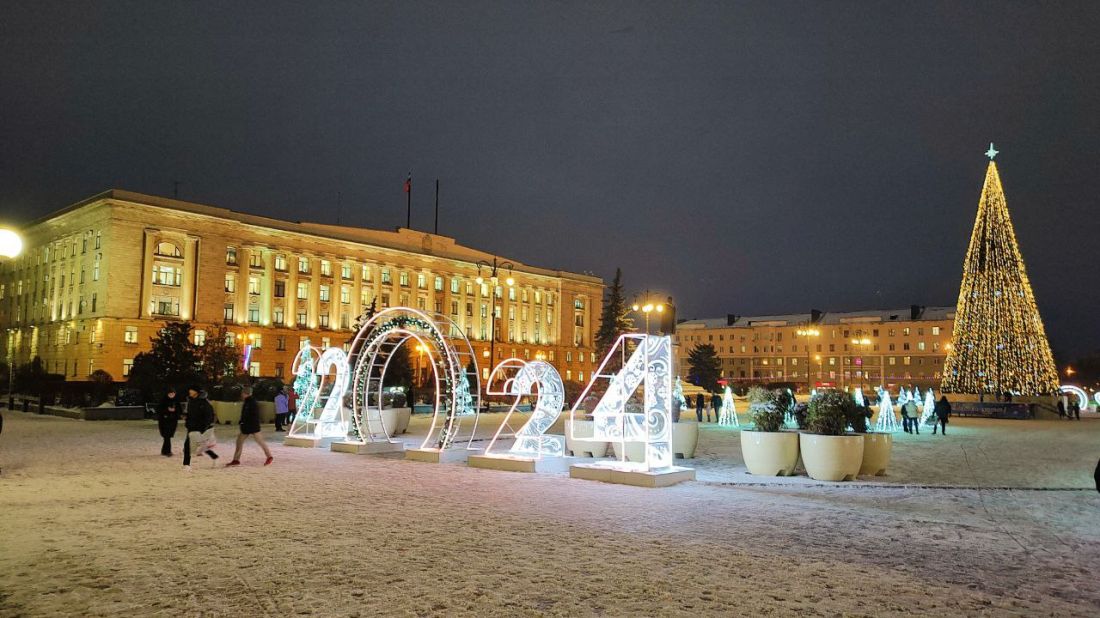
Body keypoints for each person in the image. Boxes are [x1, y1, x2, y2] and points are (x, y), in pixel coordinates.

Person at [226, 387, 273, 467]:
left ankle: (269, 456)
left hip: (250, 426)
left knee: (244, 442)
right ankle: (236, 460)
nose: (241, 395)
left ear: (245, 393)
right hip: (251, 426)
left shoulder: (250, 402)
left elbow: (250, 415)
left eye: (242, 393)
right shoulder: (250, 401)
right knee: (245, 442)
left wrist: (243, 422)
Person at [183, 386, 219, 469]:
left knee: (202, 446)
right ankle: (186, 464)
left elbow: (208, 417)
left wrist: (203, 428)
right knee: (187, 446)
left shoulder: (205, 403)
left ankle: (214, 457)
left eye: (191, 389)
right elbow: (190, 414)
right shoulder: (191, 402)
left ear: (196, 392)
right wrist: (186, 419)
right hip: (191, 427)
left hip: (200, 428)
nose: (189, 391)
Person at [156, 388, 181, 456]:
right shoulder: (163, 401)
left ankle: (164, 451)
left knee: (168, 436)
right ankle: (168, 451)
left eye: (173, 394)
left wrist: (175, 410)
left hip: (173, 421)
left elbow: (179, 410)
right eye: (170, 394)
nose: (172, 395)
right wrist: (167, 410)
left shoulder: (176, 401)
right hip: (164, 421)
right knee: (167, 436)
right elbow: (159, 410)